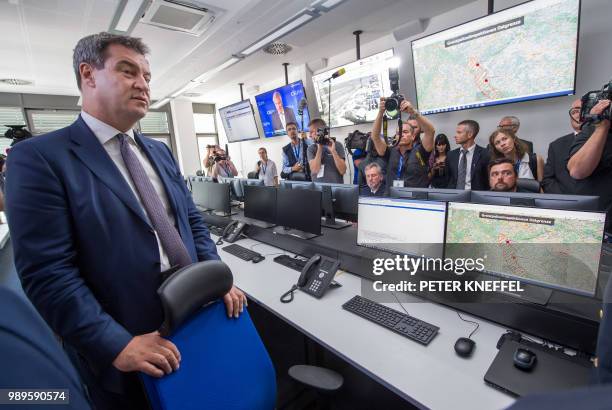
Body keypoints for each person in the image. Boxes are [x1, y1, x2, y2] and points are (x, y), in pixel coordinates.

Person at [5, 32, 246, 409]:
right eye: (128, 70)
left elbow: (192, 223)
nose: (143, 84)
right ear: (88, 75)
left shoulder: (160, 151)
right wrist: (115, 342)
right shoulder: (39, 158)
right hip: (129, 337)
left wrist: (216, 277)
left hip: (196, 317)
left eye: (147, 77)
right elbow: (48, 272)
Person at [370, 97, 435, 191]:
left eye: (405, 132)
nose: (401, 134)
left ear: (413, 136)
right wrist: (380, 113)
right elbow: (375, 137)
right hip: (393, 199)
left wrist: (413, 112)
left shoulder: (420, 151)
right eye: (398, 132)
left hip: (414, 200)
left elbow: (430, 131)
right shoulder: (390, 151)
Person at [567, 98, 612, 230]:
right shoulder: (591, 129)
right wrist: (601, 126)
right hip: (602, 223)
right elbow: (577, 170)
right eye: (575, 111)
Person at [541, 99, 581, 194]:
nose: (579, 114)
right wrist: (566, 200)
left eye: (584, 110)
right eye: (574, 112)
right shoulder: (556, 145)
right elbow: (548, 180)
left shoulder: (607, 138)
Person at [446, 120, 490, 190]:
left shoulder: (485, 154)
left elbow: (488, 180)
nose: (455, 135)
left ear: (470, 134)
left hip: (476, 198)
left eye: (459, 132)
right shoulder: (451, 155)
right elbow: (448, 178)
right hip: (453, 197)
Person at [307, 118, 347, 183]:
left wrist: (333, 152)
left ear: (320, 131)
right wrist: (320, 147)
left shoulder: (337, 145)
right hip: (318, 189)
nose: (309, 135)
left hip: (336, 188)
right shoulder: (311, 148)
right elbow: (315, 170)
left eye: (311, 132)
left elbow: (342, 171)